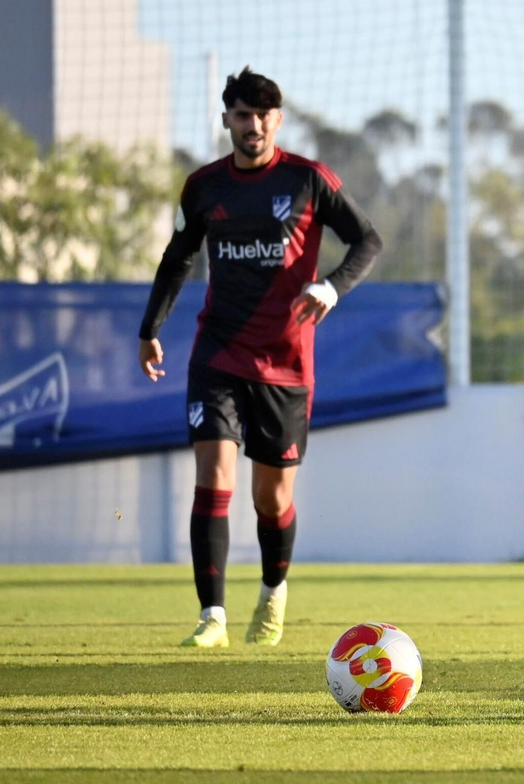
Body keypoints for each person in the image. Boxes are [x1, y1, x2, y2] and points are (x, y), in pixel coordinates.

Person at [138, 67, 382, 648]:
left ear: (279, 120)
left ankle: (273, 597)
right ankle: (212, 618)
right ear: (226, 119)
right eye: (243, 114)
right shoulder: (203, 188)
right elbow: (177, 258)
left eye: (264, 115)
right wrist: (150, 328)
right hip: (218, 352)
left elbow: (367, 239)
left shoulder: (308, 180)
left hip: (286, 361)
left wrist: (330, 286)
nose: (254, 125)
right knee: (213, 476)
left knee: (270, 500)